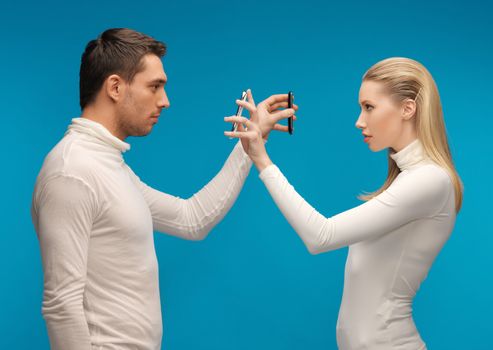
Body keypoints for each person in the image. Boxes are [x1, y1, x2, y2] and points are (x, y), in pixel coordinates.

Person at [30, 28, 296, 350]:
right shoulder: (72, 171)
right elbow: (61, 305)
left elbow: (192, 219)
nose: (165, 101)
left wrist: (249, 143)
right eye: (154, 87)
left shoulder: (109, 167)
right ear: (115, 87)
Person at [225, 57, 463, 349]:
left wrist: (261, 159)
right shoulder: (412, 178)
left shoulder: (429, 180)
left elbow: (321, 236)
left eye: (369, 107)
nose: (359, 121)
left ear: (407, 108)